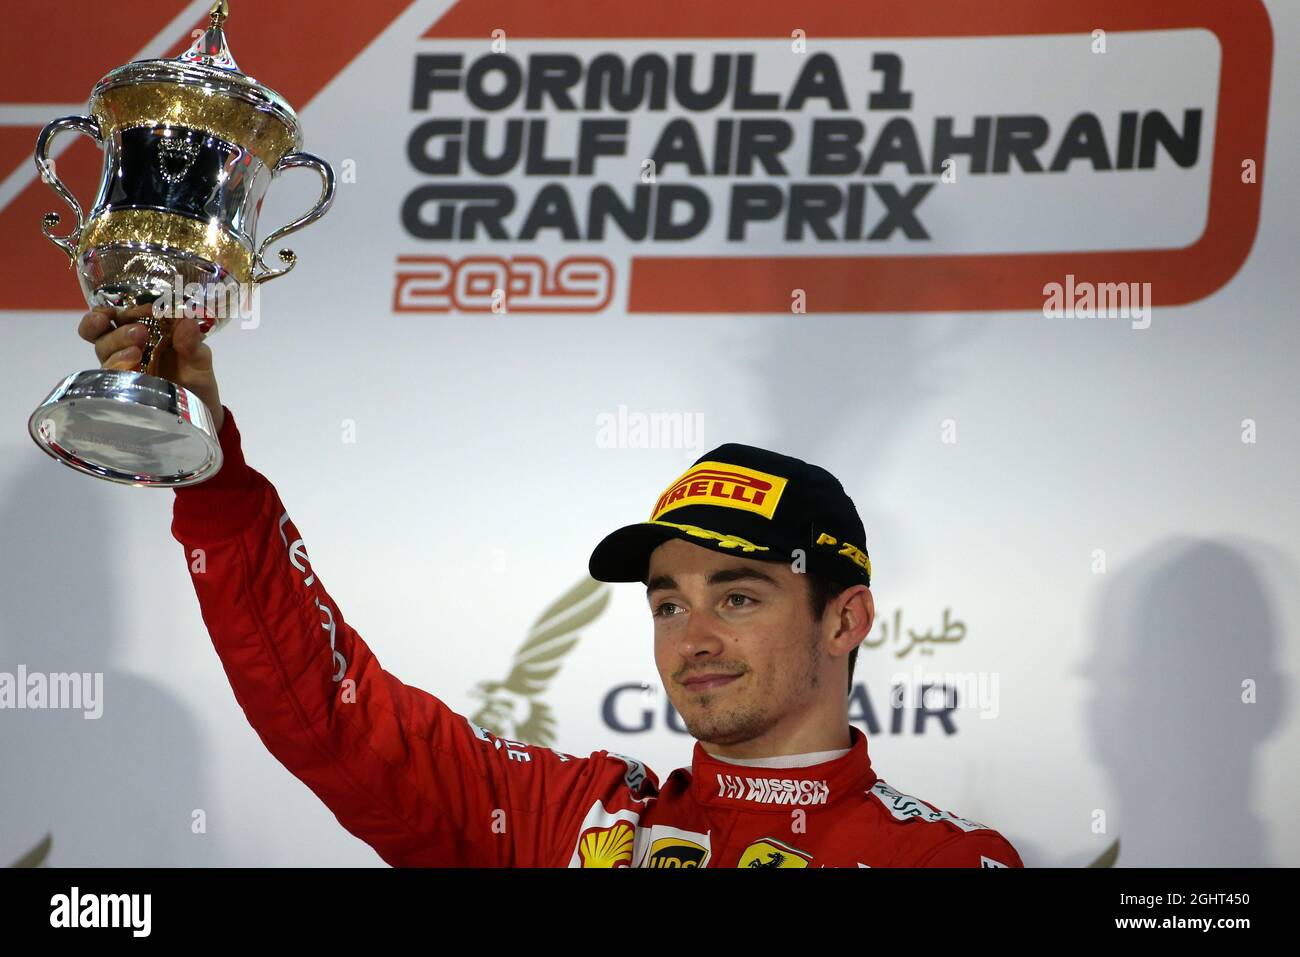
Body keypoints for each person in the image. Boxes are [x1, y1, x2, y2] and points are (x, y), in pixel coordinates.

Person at [78, 305, 1025, 868]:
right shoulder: (575, 818)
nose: (690, 637)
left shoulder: (943, 858)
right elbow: (329, 712)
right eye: (666, 601)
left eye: (737, 596)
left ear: (844, 618)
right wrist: (204, 466)